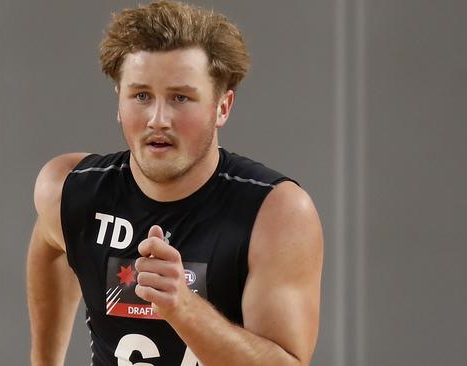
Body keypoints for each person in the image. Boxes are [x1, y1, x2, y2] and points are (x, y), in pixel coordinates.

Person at [27, 1, 323, 365]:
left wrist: (183, 307)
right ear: (119, 103)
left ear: (222, 107)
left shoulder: (277, 212)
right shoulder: (70, 190)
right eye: (141, 96)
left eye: (180, 97)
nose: (158, 119)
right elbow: (50, 242)